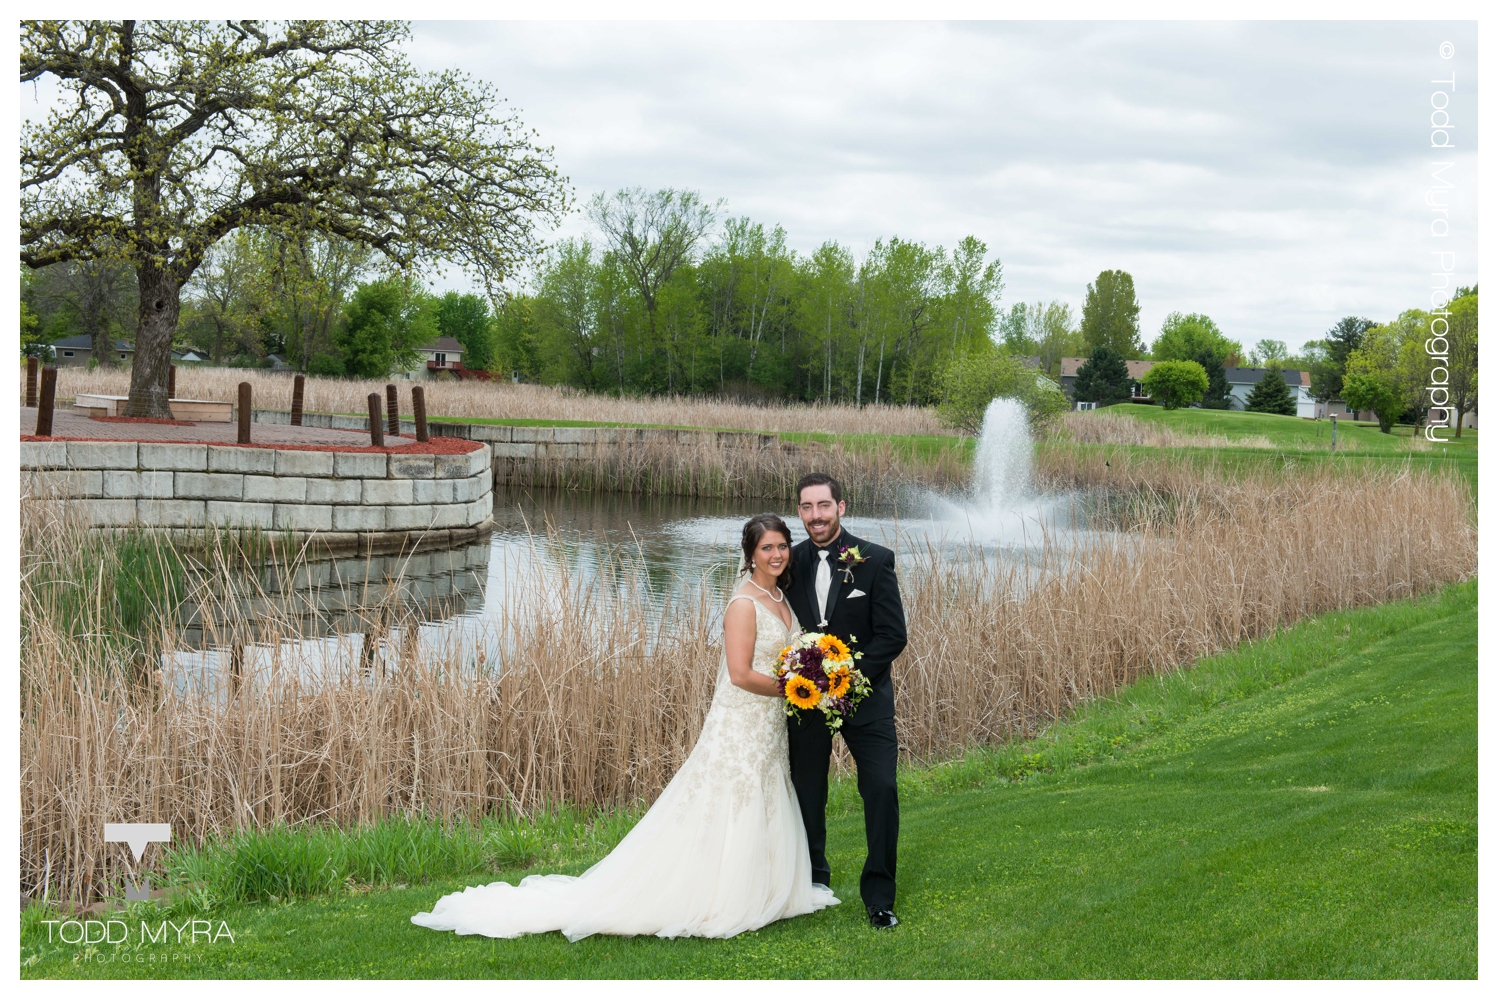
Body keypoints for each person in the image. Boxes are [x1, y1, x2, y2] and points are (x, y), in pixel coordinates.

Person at [411, 514, 838, 941]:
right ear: (750, 554)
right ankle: (720, 893)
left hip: (769, 722)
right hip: (741, 719)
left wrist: (809, 678)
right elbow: (741, 674)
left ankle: (763, 885)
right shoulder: (744, 604)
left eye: (782, 546)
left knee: (765, 787)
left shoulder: (779, 597)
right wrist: (797, 689)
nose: (777, 554)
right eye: (767, 548)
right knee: (732, 791)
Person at [785, 472, 907, 929]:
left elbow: (893, 636)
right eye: (806, 507)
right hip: (806, 702)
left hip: (866, 700)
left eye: (823, 506)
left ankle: (879, 897)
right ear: (799, 511)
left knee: (881, 789)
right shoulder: (786, 561)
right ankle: (814, 880)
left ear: (841, 507)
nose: (815, 516)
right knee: (807, 791)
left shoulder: (874, 560)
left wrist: (848, 680)